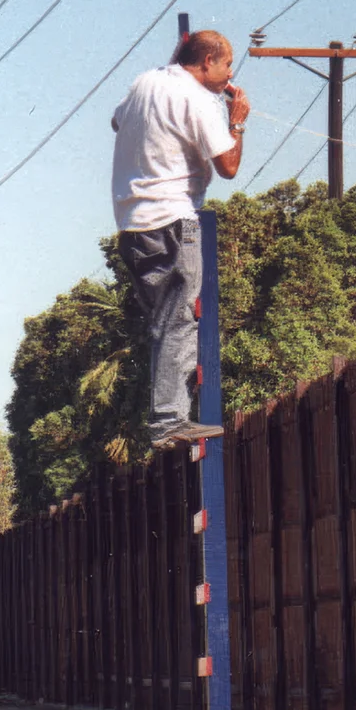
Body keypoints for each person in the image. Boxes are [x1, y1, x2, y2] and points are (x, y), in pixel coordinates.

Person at [111, 29, 251, 446]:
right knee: (178, 319)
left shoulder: (145, 82)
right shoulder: (198, 100)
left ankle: (165, 414)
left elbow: (116, 119)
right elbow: (228, 166)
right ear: (207, 61)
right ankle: (169, 420)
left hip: (133, 223)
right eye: (227, 66)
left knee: (163, 322)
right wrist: (237, 120)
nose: (229, 78)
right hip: (173, 219)